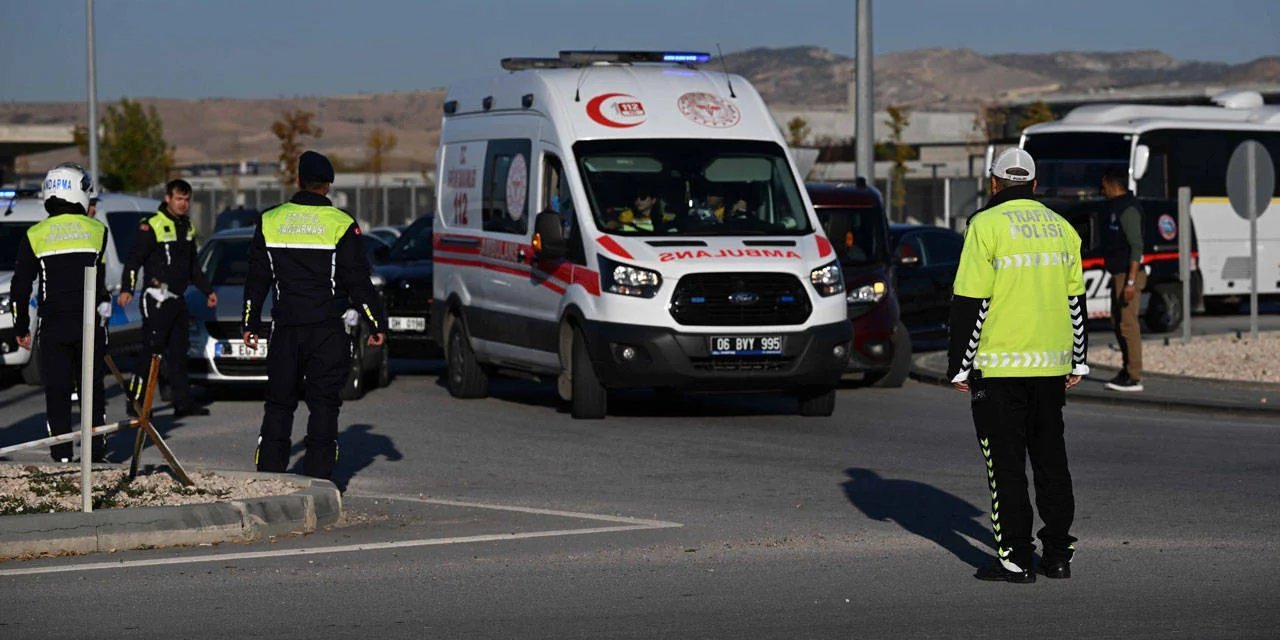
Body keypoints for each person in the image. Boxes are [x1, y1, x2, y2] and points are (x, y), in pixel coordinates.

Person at [947, 148, 1089, 583]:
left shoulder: (984, 226)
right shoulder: (1062, 228)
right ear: (1034, 182)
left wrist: (960, 365)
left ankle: (1015, 558)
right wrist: (1078, 361)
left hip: (999, 366)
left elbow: (972, 301)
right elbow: (1075, 300)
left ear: (994, 183)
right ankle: (1059, 555)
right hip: (1050, 366)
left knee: (1005, 465)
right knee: (1051, 459)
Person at [242, 150, 386, 479]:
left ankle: (269, 478)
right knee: (323, 403)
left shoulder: (270, 220)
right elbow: (358, 281)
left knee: (279, 403)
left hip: (285, 329)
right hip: (325, 329)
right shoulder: (341, 223)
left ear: (298, 181)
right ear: (328, 186)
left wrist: (249, 322)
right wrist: (375, 322)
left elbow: (256, 280)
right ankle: (319, 479)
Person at [9, 163, 111, 462]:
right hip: (89, 323)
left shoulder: (34, 234)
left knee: (57, 390)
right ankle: (96, 451)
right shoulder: (97, 230)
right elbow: (99, 277)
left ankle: (62, 454)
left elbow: (20, 286)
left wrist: (20, 325)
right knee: (91, 388)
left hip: (53, 325)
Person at [118, 179, 217, 417]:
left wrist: (207, 290)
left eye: (186, 199)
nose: (183, 204)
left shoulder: (187, 227)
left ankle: (182, 401)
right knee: (151, 351)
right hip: (156, 298)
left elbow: (194, 266)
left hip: (177, 299)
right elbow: (134, 260)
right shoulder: (152, 225)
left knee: (179, 351)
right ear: (167, 198)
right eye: (179, 199)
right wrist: (127, 288)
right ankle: (137, 401)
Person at [1100, 166, 1145, 392]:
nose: (1102, 189)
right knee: (1116, 323)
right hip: (1117, 273)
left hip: (1128, 275)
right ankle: (1126, 369)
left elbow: (1136, 246)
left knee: (1128, 325)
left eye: (1103, 185)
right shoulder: (1114, 207)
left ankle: (1134, 375)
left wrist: (1130, 282)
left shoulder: (1128, 209)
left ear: (1111, 183)